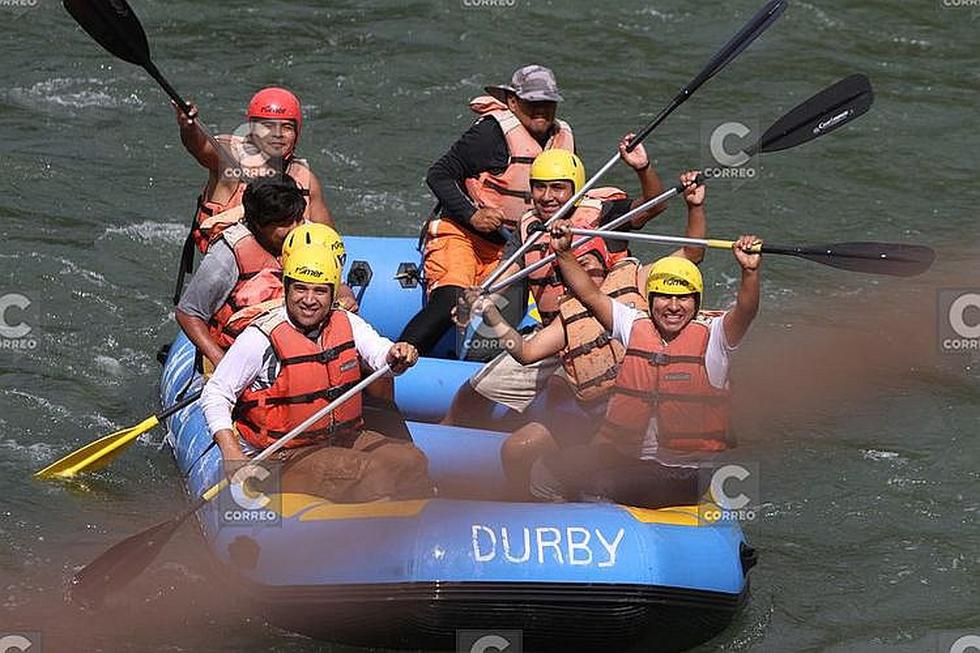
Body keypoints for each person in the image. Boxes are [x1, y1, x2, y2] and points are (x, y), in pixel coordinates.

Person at [456, 172, 707, 496]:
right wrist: (489, 313)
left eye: (593, 266)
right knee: (516, 450)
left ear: (607, 264)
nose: (586, 274)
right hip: (593, 408)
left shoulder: (640, 283)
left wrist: (694, 207)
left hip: (642, 411)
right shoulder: (571, 316)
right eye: (578, 269)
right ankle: (529, 508)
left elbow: (693, 253)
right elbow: (525, 352)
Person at [440, 148, 681, 431]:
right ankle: (448, 448)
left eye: (558, 188)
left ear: (576, 189)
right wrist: (478, 298)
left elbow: (655, 205)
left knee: (560, 395)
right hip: (551, 336)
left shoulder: (604, 215)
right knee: (472, 395)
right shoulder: (530, 226)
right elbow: (507, 273)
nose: (547, 196)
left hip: (599, 333)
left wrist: (642, 168)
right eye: (539, 187)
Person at [528, 219, 762, 508]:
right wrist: (563, 253)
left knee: (596, 487)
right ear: (649, 301)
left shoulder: (716, 339)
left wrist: (749, 272)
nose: (673, 306)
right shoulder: (636, 324)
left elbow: (746, 310)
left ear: (696, 302)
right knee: (547, 468)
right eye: (664, 297)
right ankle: (558, 527)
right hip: (633, 458)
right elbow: (590, 295)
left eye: (683, 299)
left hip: (683, 474)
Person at [200, 227, 432, 502]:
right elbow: (216, 393)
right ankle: (369, 535)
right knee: (369, 471)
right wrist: (231, 452)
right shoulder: (260, 337)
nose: (309, 300)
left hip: (341, 440)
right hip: (281, 455)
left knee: (412, 460)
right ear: (286, 288)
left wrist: (398, 354)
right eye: (300, 289)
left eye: (320, 291)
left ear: (332, 293)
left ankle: (416, 529)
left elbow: (380, 354)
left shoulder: (346, 322)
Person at [398, 65, 575, 354]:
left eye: (548, 103)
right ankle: (396, 364)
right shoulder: (491, 134)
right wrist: (473, 215)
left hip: (514, 247)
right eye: (533, 103)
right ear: (514, 103)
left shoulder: (562, 138)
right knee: (454, 298)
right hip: (462, 233)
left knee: (508, 314)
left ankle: (482, 369)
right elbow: (439, 174)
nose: (541, 110)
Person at [175, 87, 334, 253]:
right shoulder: (230, 158)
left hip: (285, 271)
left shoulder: (305, 180)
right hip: (230, 268)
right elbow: (201, 147)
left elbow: (328, 240)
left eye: (286, 127)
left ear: (297, 132)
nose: (277, 134)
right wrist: (189, 127)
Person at [176, 177, 307, 369]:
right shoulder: (228, 254)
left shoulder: (308, 235)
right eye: (286, 223)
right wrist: (222, 363)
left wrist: (345, 294)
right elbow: (188, 313)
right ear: (259, 224)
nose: (296, 228)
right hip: (241, 356)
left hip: (295, 349)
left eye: (298, 218)